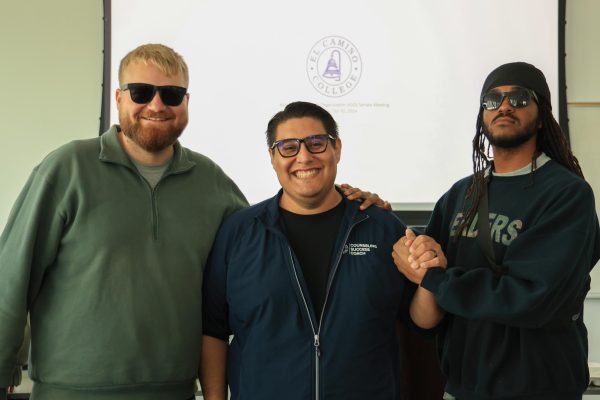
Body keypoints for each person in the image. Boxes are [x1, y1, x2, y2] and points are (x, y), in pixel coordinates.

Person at [0, 44, 385, 400]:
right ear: (118, 98)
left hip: (177, 390)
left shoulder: (210, 181)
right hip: (72, 391)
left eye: (171, 95)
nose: (156, 104)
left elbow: (275, 233)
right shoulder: (67, 169)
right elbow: (11, 275)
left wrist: (350, 204)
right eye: (140, 92)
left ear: (185, 102)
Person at [200, 101, 441, 400]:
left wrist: (430, 279)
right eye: (288, 147)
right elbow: (213, 330)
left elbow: (422, 321)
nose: (304, 157)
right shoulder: (239, 233)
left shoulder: (382, 228)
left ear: (336, 148)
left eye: (316, 143)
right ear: (272, 158)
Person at [393, 62, 600, 399]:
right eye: (492, 100)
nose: (504, 106)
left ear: (542, 112)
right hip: (462, 389)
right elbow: (426, 308)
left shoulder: (567, 194)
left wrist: (436, 280)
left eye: (519, 98)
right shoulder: (460, 195)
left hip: (541, 390)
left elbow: (533, 298)